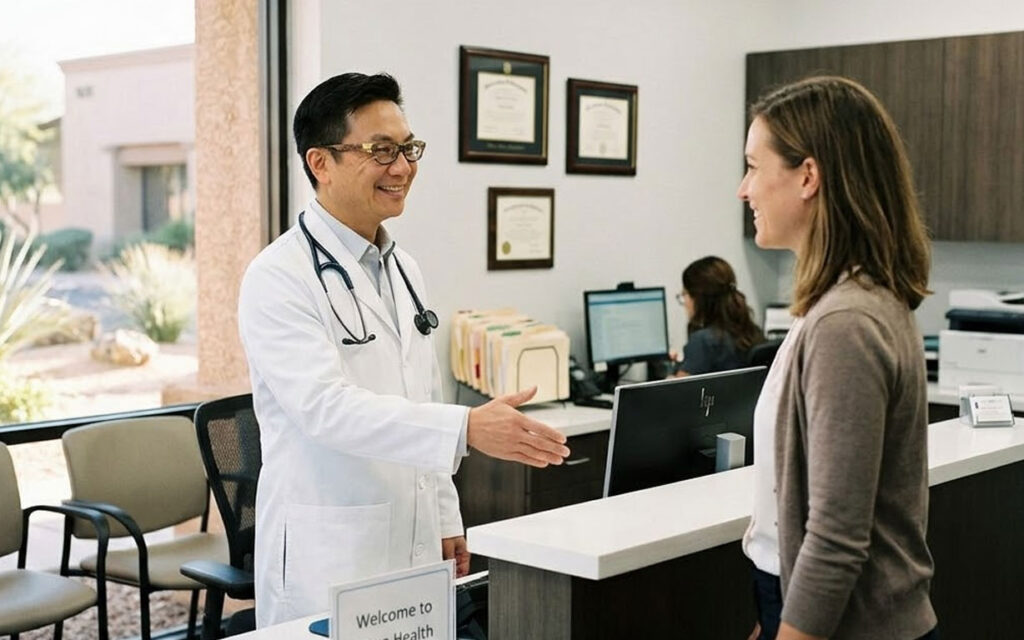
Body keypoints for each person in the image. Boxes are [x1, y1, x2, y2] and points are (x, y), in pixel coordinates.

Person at [237, 72, 570, 627]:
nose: (402, 167)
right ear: (320, 163)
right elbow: (324, 408)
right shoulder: (277, 276)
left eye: (408, 148)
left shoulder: (404, 270)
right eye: (381, 150)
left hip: (413, 544)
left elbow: (424, 391)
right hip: (333, 551)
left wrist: (446, 516)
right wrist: (465, 428)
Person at [737, 76, 936, 640]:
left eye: (754, 166)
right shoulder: (842, 305)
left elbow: (837, 535)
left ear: (808, 176)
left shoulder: (845, 322)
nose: (743, 188)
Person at [673, 255, 764, 376]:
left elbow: (677, 390)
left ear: (698, 299)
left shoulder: (702, 342)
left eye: (684, 294)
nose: (684, 302)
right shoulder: (753, 333)